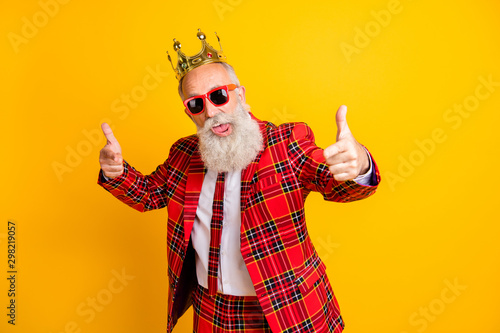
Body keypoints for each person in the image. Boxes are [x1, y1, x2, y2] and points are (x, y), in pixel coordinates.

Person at [98, 30, 380, 333]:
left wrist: (358, 163)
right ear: (188, 112)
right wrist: (116, 172)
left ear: (240, 94)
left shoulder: (287, 141)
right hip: (214, 308)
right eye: (196, 104)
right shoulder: (183, 154)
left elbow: (336, 182)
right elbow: (148, 195)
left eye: (219, 95)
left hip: (288, 305)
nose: (211, 111)